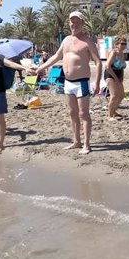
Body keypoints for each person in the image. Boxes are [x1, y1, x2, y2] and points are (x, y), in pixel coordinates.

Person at [37, 11, 102, 154]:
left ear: (83, 23)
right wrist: (40, 68)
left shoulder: (87, 41)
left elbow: (98, 62)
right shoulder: (66, 40)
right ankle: (76, 141)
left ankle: (86, 144)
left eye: (78, 22)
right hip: (68, 83)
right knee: (72, 113)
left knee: (83, 114)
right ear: (69, 23)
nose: (75, 24)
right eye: (72, 22)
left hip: (82, 83)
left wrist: (96, 83)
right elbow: (56, 56)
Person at [104, 36, 127, 120]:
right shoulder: (114, 53)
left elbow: (122, 68)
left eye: (125, 44)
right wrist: (115, 78)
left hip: (118, 76)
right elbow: (107, 67)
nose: (124, 45)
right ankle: (109, 115)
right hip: (110, 75)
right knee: (114, 95)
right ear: (117, 44)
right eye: (122, 43)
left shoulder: (122, 53)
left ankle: (113, 110)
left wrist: (121, 79)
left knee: (121, 95)